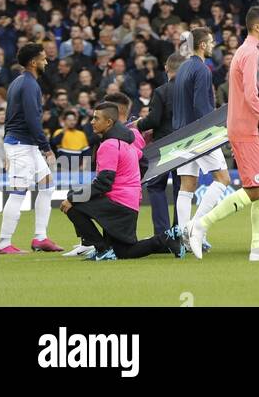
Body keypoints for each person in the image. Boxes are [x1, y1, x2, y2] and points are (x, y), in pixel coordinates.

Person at [184, 7, 259, 262]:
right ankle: (199, 225)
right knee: (254, 189)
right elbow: (251, 96)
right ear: (257, 27)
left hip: (253, 128)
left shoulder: (249, 52)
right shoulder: (250, 53)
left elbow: (251, 91)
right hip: (247, 128)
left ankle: (258, 248)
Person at [60, 102, 185, 260]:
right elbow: (144, 162)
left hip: (117, 203)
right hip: (129, 203)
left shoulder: (109, 145)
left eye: (96, 118)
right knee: (125, 252)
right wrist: (131, 184)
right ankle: (165, 239)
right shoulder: (127, 143)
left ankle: (103, 250)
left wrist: (72, 197)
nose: (92, 122)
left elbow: (104, 182)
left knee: (72, 206)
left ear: (109, 122)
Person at [0, 43, 62, 254]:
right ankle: (4, 243)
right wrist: (47, 148)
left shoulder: (19, 82)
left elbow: (12, 118)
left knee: (47, 187)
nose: (47, 61)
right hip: (21, 146)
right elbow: (33, 119)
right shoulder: (30, 85)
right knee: (18, 193)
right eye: (43, 58)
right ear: (34, 62)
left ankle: (40, 238)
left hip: (24, 145)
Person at [172, 27, 232, 248]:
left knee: (186, 186)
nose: (214, 44)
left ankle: (184, 236)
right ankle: (196, 227)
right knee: (223, 179)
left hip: (180, 134)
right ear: (203, 45)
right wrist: (215, 131)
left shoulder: (183, 68)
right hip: (199, 134)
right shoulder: (203, 70)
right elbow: (202, 107)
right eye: (211, 41)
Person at [133, 51, 182, 237]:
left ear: (166, 69)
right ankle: (179, 232)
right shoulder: (190, 90)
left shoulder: (162, 91)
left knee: (156, 186)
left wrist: (139, 124)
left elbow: (153, 120)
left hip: (163, 146)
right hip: (187, 145)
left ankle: (162, 235)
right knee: (182, 188)